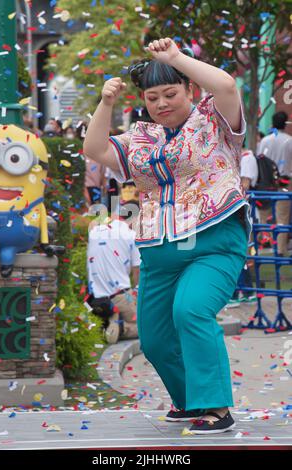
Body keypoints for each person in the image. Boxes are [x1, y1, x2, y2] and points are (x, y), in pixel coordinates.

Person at [83, 37, 251, 434]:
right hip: (159, 252)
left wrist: (176, 58)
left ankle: (215, 407)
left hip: (213, 243)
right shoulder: (141, 138)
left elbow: (227, 86)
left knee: (191, 311)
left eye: (171, 93)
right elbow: (94, 148)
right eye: (152, 97)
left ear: (190, 89)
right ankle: (189, 401)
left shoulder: (214, 120)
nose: (161, 104)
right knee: (156, 339)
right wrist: (105, 103)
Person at [86, 201, 140, 343]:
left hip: (93, 298)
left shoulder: (95, 230)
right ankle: (119, 327)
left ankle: (106, 323)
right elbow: (137, 273)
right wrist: (138, 296)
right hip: (120, 297)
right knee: (148, 327)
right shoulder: (131, 235)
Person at [226, 147, 258, 307]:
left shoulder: (246, 158)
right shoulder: (237, 156)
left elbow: (245, 185)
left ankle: (241, 291)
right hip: (236, 211)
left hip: (241, 211)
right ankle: (244, 291)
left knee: (239, 251)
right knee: (237, 252)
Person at [258, 112, 292, 256]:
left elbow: (259, 160)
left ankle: (263, 244)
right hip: (284, 182)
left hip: (266, 182)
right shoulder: (289, 140)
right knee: (282, 217)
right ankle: (280, 249)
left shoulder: (265, 140)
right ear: (285, 124)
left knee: (263, 215)